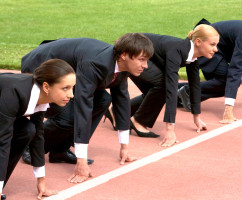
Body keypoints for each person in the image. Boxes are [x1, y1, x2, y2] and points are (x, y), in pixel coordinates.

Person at [20, 33, 154, 183]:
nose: (146, 65)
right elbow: (83, 106)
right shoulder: (95, 62)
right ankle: (32, 148)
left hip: (69, 73)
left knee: (103, 99)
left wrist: (124, 147)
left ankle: (60, 151)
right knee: (68, 116)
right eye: (142, 60)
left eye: (147, 60)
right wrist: (81, 160)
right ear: (124, 55)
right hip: (40, 68)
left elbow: (122, 99)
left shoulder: (121, 66)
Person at [105, 24, 219, 146]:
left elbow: (195, 86)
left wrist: (197, 118)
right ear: (198, 42)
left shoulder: (192, 57)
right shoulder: (177, 50)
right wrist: (170, 129)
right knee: (164, 85)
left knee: (157, 90)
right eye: (212, 44)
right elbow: (171, 86)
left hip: (149, 59)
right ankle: (139, 121)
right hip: (134, 56)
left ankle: (117, 111)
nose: (216, 49)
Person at [0, 59, 76, 200]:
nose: (71, 95)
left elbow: (38, 136)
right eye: (65, 88)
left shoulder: (41, 97)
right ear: (46, 87)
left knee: (28, 130)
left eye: (72, 88)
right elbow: (2, 141)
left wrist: (41, 182)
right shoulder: (14, 92)